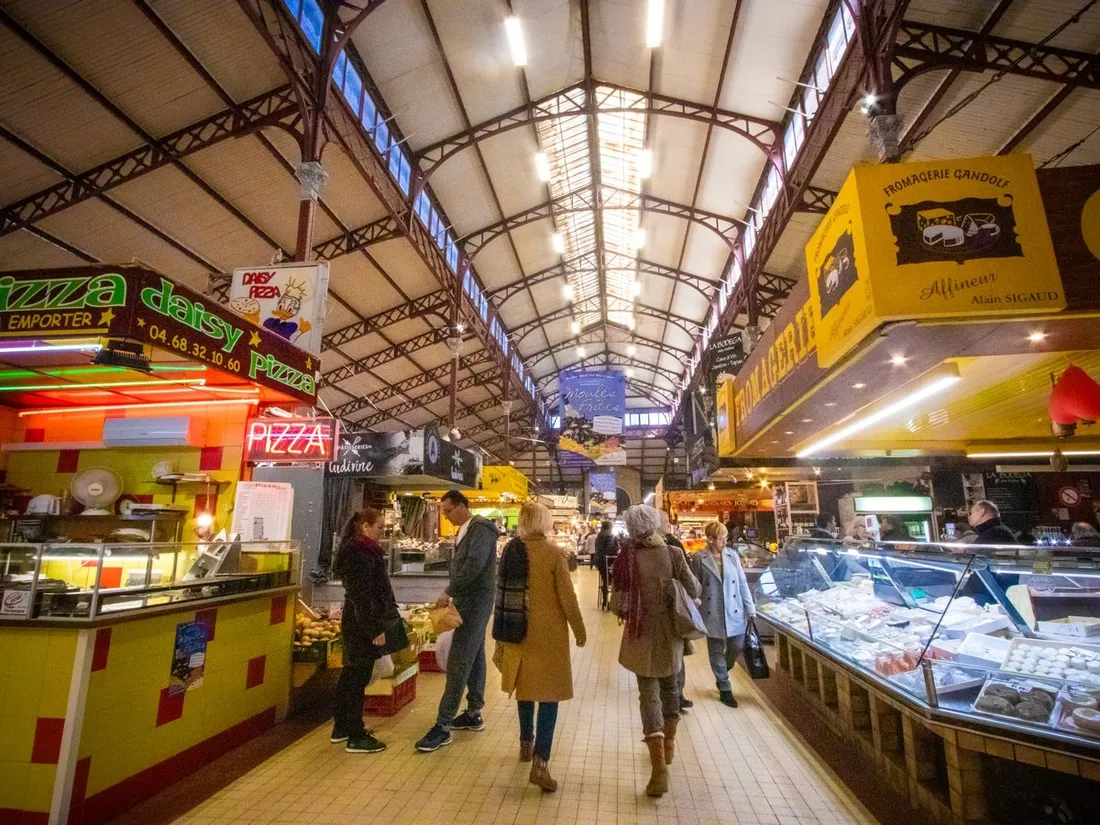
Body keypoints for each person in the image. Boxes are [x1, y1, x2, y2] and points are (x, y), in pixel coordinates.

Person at [493, 503, 586, 792]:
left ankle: (525, 742)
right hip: (548, 636)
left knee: (525, 688)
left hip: (515, 632)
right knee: (549, 696)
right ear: (545, 522)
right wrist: (579, 630)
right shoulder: (554, 553)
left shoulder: (510, 551)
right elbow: (567, 597)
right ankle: (540, 763)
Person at [612, 505, 701, 798]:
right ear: (654, 524)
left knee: (647, 694)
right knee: (671, 687)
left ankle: (658, 768)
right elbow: (695, 588)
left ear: (630, 528)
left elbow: (618, 605)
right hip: (669, 632)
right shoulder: (673, 553)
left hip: (640, 633)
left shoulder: (627, 557)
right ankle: (670, 744)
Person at [416, 490, 499, 753]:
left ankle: (442, 727)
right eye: (443, 511)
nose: (446, 515)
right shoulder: (466, 529)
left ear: (463, 506)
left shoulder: (480, 530)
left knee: (460, 659)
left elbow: (474, 564)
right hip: (468, 601)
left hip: (475, 602)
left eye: (448, 510)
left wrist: (449, 591)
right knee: (475, 657)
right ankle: (474, 713)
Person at [331, 508, 395, 754]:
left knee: (350, 676)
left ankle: (342, 728)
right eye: (380, 527)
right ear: (366, 526)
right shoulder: (360, 554)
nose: (382, 532)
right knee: (357, 678)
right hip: (360, 624)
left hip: (356, 621)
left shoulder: (358, 550)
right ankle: (355, 736)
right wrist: (374, 629)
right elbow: (362, 596)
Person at [690, 522, 756, 708]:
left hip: (734, 608)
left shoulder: (732, 556)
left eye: (725, 538)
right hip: (712, 610)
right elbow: (695, 585)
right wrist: (695, 603)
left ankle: (724, 669)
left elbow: (742, 583)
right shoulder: (699, 558)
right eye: (720, 538)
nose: (724, 542)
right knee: (716, 649)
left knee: (737, 644)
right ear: (710, 539)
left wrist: (750, 608)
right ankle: (725, 687)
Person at [658, 511, 693, 711]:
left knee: (677, 652)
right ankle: (673, 697)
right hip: (671, 608)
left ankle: (677, 694)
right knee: (673, 652)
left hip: (676, 607)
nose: (669, 523)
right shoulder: (673, 549)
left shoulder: (673, 545)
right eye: (665, 521)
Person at [594, 520, 618, 609]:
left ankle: (605, 600)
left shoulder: (599, 536)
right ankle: (614, 601)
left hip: (599, 562)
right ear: (610, 528)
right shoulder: (610, 536)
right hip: (608, 562)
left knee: (605, 580)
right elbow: (611, 549)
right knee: (614, 579)